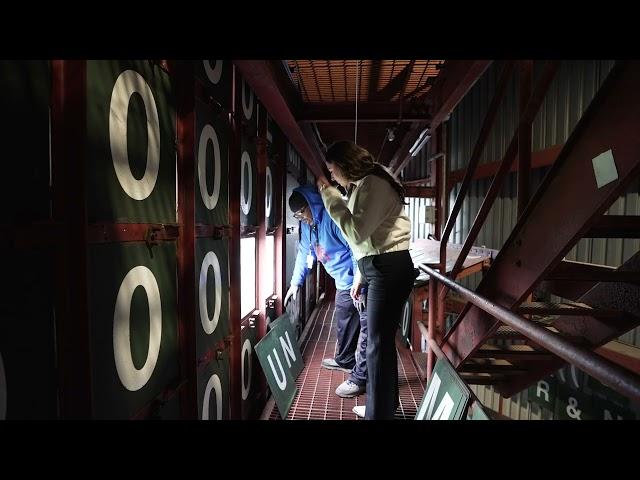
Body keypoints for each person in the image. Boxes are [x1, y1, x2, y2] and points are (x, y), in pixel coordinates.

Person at [317, 140, 416, 420]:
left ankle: (378, 413)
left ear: (345, 166)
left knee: (377, 343)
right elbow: (369, 243)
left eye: (333, 171)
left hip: (388, 268)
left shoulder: (373, 184)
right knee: (380, 342)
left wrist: (329, 196)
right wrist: (361, 274)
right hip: (380, 267)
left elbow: (357, 232)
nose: (333, 178)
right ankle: (383, 407)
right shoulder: (367, 185)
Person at [285, 184, 368, 398]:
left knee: (368, 329)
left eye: (302, 212)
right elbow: (304, 252)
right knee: (344, 319)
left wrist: (358, 279)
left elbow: (355, 247)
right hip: (343, 281)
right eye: (296, 215)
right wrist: (295, 283)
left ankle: (361, 378)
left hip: (357, 280)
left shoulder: (332, 219)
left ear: (312, 204)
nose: (301, 217)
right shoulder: (307, 226)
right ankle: (345, 360)